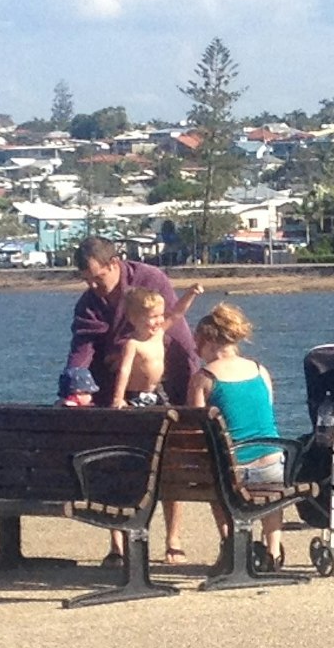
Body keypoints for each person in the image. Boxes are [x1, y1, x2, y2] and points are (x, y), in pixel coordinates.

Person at [192, 300, 289, 567]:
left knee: (215, 481)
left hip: (234, 471)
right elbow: (267, 410)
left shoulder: (204, 378)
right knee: (272, 494)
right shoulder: (260, 371)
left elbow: (196, 428)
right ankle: (273, 551)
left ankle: (230, 544)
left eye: (197, 343)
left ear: (209, 342)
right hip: (271, 464)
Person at [58, 236, 202, 408]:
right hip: (115, 383)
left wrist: (129, 354)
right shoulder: (88, 304)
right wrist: (72, 388)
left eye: (98, 278)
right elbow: (81, 349)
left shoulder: (150, 279)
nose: (93, 286)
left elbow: (175, 328)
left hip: (164, 373)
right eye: (87, 281)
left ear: (114, 263)